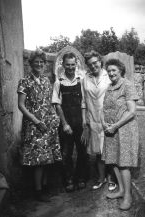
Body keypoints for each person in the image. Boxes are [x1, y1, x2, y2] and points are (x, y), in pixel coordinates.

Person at [17, 50, 62, 201]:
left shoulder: (46, 81)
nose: (39, 64)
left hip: (47, 123)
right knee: (37, 160)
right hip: (34, 125)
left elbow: (48, 103)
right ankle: (38, 191)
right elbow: (21, 105)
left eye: (41, 62)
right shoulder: (24, 81)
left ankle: (45, 187)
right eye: (36, 62)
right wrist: (36, 121)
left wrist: (54, 117)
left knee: (47, 157)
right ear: (31, 63)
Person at [101, 58, 139, 210]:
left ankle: (128, 196)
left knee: (123, 163)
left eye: (113, 70)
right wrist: (104, 123)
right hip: (111, 130)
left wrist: (115, 125)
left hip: (124, 129)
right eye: (109, 71)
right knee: (114, 160)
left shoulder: (127, 85)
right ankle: (121, 190)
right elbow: (103, 109)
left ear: (120, 71)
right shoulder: (109, 87)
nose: (111, 73)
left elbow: (131, 112)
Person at [52, 52, 88, 192]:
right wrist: (65, 124)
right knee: (66, 153)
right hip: (66, 123)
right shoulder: (58, 83)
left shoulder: (82, 80)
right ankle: (69, 180)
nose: (71, 67)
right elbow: (57, 105)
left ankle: (81, 178)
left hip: (80, 121)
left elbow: (84, 102)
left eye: (73, 64)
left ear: (76, 64)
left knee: (82, 152)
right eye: (68, 64)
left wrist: (84, 123)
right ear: (63, 65)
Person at [82, 50, 116, 191]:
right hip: (93, 119)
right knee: (98, 152)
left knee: (110, 149)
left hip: (108, 118)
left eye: (95, 62)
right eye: (90, 64)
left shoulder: (109, 76)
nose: (93, 66)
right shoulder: (85, 79)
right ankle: (101, 178)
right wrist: (85, 121)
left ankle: (112, 179)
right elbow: (83, 101)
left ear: (100, 61)